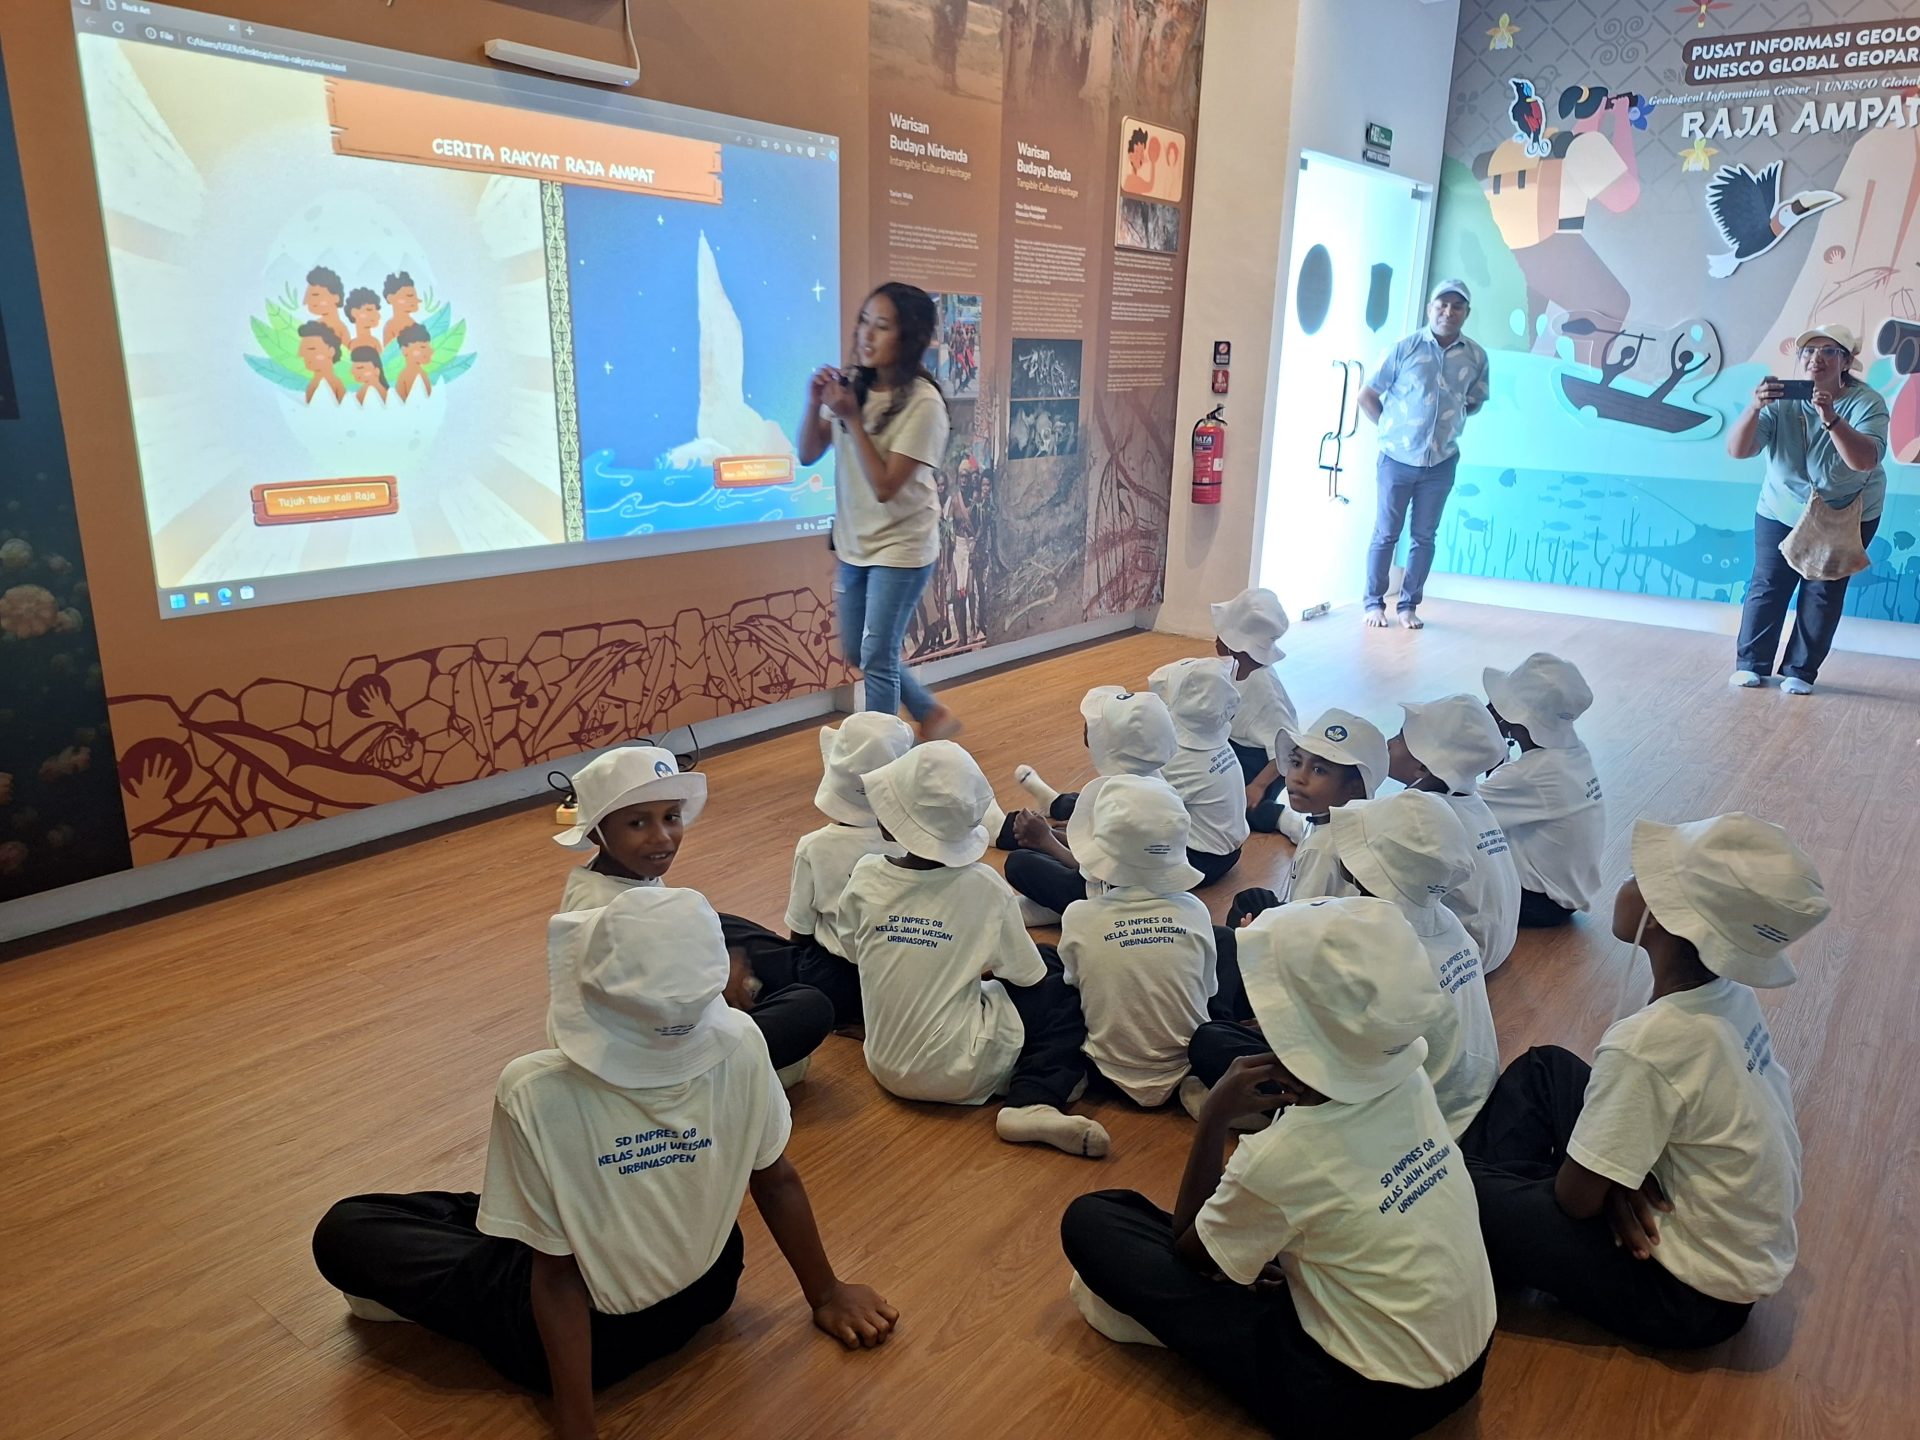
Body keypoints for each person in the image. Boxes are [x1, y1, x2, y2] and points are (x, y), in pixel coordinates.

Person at [312, 888, 897, 1440]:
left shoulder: (535, 1089)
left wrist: (578, 1425)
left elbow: (555, 1275)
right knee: (511, 1215)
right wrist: (826, 1292)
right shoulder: (743, 1040)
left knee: (348, 1226)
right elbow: (776, 1178)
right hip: (711, 1284)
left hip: (583, 1339)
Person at [1060, 897, 1495, 1439]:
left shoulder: (1287, 1151)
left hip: (1363, 1402)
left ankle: (1172, 1327)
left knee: (1093, 1219)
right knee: (1273, 1245)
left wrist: (1214, 1117)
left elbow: (1193, 1255)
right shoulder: (1409, 1081)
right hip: (1469, 1360)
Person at [1462, 813, 1830, 1348]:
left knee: (1448, 1185)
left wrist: (1599, 1185)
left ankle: (1494, 1234)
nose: (1627, 881)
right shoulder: (1731, 998)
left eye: (1639, 876)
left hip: (1683, 1296)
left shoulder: (1651, 1042)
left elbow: (1575, 1201)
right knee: (1547, 1068)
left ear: (1658, 916)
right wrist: (1617, 1178)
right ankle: (1510, 1226)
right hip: (1723, 1271)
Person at [837, 741, 1110, 1157]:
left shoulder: (865, 877)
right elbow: (1028, 978)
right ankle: (1032, 1100)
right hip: (959, 1069)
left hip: (883, 1062)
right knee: (1060, 988)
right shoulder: (984, 886)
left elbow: (855, 952)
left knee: (1036, 963)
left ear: (891, 823)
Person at [554, 745, 832, 1085]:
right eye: (637, 823)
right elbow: (662, 1018)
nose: (661, 837)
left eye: (671, 817)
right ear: (596, 831)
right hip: (657, 1056)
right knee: (810, 1006)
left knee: (717, 922)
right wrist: (718, 988)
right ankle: (731, 1079)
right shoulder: (611, 912)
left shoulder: (609, 876)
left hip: (647, 1030)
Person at [798, 283, 961, 740]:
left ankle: (884, 761)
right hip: (854, 544)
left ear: (908, 338)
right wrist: (815, 403)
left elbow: (886, 486)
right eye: (865, 321)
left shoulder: (924, 404)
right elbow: (808, 453)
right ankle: (928, 711)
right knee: (859, 649)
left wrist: (851, 417)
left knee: (878, 656)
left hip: (903, 546)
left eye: (882, 326)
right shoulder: (854, 384)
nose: (866, 334)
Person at [1726, 324, 1891, 694]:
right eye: (1809, 351)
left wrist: (1830, 416)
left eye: (1829, 351)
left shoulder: (1867, 403)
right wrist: (1754, 408)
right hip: (1781, 507)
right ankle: (1751, 664)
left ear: (1846, 361)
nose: (1817, 358)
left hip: (1845, 511)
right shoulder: (1781, 399)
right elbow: (1738, 450)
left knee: (1824, 590)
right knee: (1768, 584)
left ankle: (1800, 671)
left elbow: (1865, 460)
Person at [1329, 791, 1497, 1139]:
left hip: (1421, 1125)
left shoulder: (1381, 952)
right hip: (1472, 1103)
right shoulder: (1447, 922)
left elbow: (1336, 1053)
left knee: (1222, 1044)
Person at [1057, 775, 1215, 1107]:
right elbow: (1209, 989)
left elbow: (1076, 985)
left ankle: (1059, 1075)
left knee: (1053, 970)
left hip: (1105, 1070)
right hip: (1187, 1064)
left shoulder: (1078, 916)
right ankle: (1203, 1086)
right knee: (1224, 941)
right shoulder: (1195, 910)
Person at [1358, 279, 1490, 631]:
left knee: (1424, 537)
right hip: (1396, 459)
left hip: (1441, 462)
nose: (1448, 312)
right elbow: (1367, 395)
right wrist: (1391, 429)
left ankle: (1408, 606)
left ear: (1466, 313)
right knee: (1386, 533)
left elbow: (1475, 400)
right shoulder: (1404, 348)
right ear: (1430, 308)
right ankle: (1373, 603)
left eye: (1457, 306)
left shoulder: (1476, 356)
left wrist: (1450, 418)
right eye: (1442, 304)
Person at [999, 687, 1180, 921]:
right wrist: (1056, 834)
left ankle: (1054, 908)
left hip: (1113, 900)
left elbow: (1098, 873)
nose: (1086, 728)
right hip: (1141, 885)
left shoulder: (1118, 801)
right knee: (1042, 838)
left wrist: (1046, 840)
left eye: (1094, 726)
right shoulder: (1156, 783)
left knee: (1019, 863)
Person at [783, 712, 916, 1029]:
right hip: (905, 972)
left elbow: (800, 931)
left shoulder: (813, 847)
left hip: (842, 979)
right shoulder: (917, 844)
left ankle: (850, 1019)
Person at [1388, 695, 1522, 973]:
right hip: (1499, 944)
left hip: (1462, 957)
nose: (1389, 742)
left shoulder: (1418, 812)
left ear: (1423, 766)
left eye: (1400, 738)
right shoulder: (1473, 801)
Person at [1480, 654, 1605, 929]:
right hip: (1565, 896)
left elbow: (1465, 814)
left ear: (1514, 718)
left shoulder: (1530, 774)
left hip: (1538, 902)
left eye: (1497, 706)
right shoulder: (1572, 752)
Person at [1210, 587, 1305, 839]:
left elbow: (1288, 746)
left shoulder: (1263, 688)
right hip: (1238, 749)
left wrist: (1258, 786)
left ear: (1239, 644)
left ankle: (1282, 818)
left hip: (1267, 766)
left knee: (1230, 805)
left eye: (1222, 633)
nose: (1216, 638)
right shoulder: (1239, 667)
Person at [1149, 656, 1250, 888]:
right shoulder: (1217, 740)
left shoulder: (1179, 759)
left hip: (1201, 862)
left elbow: (1148, 806)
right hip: (1230, 852)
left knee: (1128, 837)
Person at [1277, 708, 1389, 904]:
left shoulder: (1319, 850)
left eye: (1319, 770)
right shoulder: (1364, 822)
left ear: (1354, 788)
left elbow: (1301, 916)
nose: (1298, 778)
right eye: (1296, 763)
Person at [303, 265, 351, 351]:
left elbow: (346, 355)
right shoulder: (314, 326)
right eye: (308, 295)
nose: (307, 301)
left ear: (336, 298)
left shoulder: (341, 329)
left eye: (315, 294)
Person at [296, 322, 345, 405]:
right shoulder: (312, 385)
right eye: (302, 349)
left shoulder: (336, 384)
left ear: (331, 351)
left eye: (311, 349)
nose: (301, 354)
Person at [382, 270, 423, 347]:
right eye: (409, 296)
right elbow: (389, 352)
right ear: (391, 298)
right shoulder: (390, 326)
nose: (417, 300)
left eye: (415, 296)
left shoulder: (414, 324)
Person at [395, 323, 434, 401]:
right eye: (422, 347)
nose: (431, 351)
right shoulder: (408, 374)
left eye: (428, 346)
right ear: (404, 350)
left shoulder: (420, 372)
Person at [345, 286, 384, 353]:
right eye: (369, 309)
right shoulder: (351, 344)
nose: (377, 315)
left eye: (376, 310)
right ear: (354, 312)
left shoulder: (375, 343)